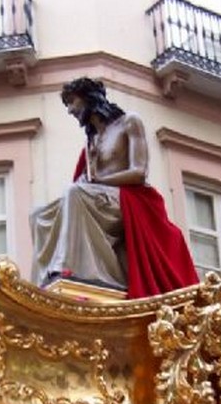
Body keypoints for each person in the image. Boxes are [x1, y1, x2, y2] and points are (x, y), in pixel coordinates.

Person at [30, 77, 199, 299]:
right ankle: (43, 281)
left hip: (129, 198)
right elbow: (86, 182)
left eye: (72, 102)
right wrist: (90, 177)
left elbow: (139, 172)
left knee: (74, 193)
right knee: (38, 215)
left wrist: (98, 180)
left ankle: (67, 267)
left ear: (89, 98)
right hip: (101, 198)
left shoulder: (129, 123)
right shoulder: (91, 141)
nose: (70, 110)